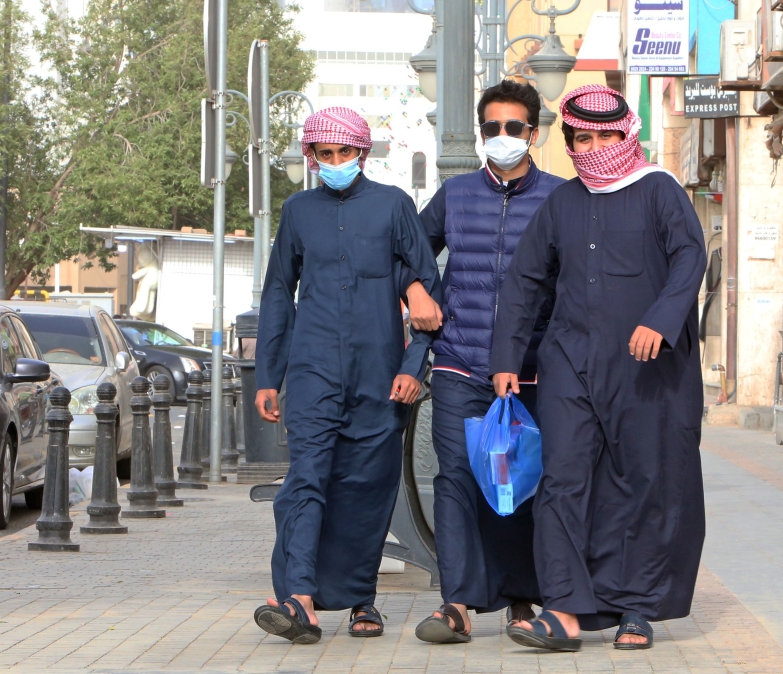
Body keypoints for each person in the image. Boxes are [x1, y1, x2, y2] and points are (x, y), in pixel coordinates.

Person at [490, 84, 707, 652]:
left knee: (643, 483)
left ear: (625, 134)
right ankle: (562, 609)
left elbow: (690, 256)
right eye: (580, 138)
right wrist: (507, 359)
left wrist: (660, 319)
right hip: (569, 363)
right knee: (561, 481)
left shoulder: (659, 189)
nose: (592, 148)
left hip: (647, 369)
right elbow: (525, 282)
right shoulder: (562, 202)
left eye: (604, 136)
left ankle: (635, 608)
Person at [252, 107, 441, 644]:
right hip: (311, 373)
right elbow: (276, 295)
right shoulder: (297, 211)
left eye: (345, 154)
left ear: (363, 153)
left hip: (381, 375)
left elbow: (428, 290)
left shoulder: (394, 207)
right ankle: (300, 599)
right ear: (312, 156)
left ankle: (362, 600)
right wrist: (270, 375)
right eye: (325, 155)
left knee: (366, 488)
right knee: (305, 482)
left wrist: (413, 366)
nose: (335, 163)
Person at [402, 80, 565, 643]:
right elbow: (411, 251)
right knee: (456, 479)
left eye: (513, 128)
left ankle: (523, 597)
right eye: (491, 128)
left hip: (532, 371)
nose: (502, 137)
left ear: (533, 134)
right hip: (459, 363)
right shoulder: (455, 194)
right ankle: (458, 602)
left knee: (520, 482)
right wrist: (417, 291)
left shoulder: (560, 198)